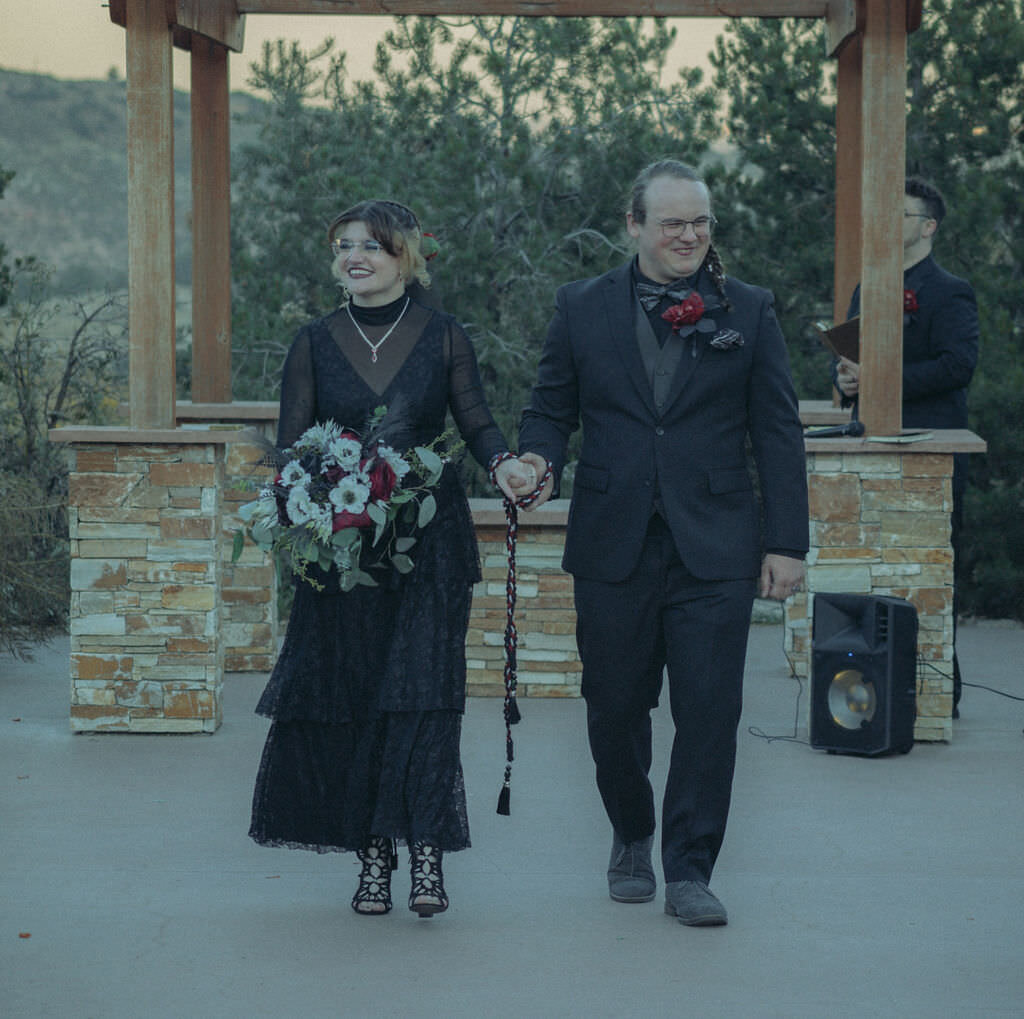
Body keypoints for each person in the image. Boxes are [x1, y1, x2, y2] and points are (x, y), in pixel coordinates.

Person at [517, 160, 808, 927]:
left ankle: (689, 868)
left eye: (701, 222)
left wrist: (787, 542)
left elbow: (777, 431)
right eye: (673, 222)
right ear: (634, 225)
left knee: (709, 710)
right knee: (613, 706)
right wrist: (537, 460)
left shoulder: (748, 308)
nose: (689, 235)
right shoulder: (580, 307)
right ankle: (632, 828)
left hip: (717, 544)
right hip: (614, 541)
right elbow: (550, 410)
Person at [248, 199, 535, 918]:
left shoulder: (443, 336)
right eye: (343, 245)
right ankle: (374, 857)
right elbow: (291, 450)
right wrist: (307, 504)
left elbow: (475, 421)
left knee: (424, 699)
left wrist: (502, 463)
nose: (354, 257)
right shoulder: (312, 342)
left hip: (429, 547)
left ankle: (427, 857)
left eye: (370, 246)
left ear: (404, 256)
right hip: (344, 556)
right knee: (355, 701)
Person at [834, 177, 979, 716]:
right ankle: (868, 689)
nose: (890, 223)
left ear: (928, 226)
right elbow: (847, 358)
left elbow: (958, 366)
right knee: (870, 570)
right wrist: (847, 379)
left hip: (930, 452)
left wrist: (881, 377)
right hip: (866, 447)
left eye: (902, 213)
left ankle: (942, 692)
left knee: (931, 574)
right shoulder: (866, 287)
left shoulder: (951, 291)